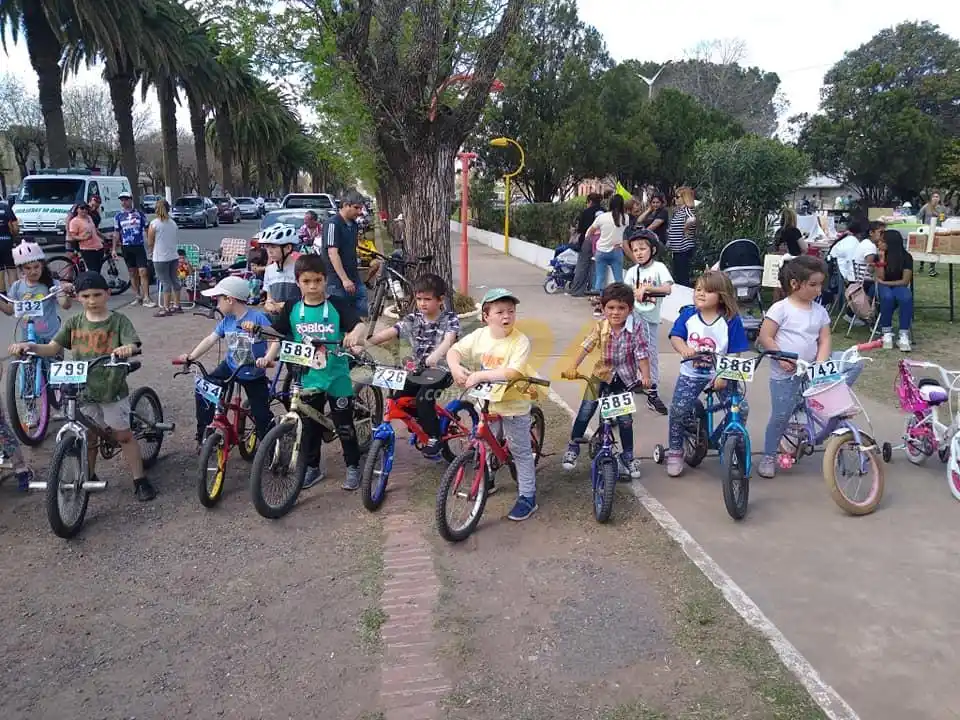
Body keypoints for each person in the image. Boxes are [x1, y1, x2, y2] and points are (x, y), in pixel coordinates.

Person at [9, 272, 155, 500]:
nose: (92, 300)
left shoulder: (118, 321)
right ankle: (88, 475)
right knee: (89, 437)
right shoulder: (74, 323)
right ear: (78, 297)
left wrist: (127, 349)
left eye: (97, 294)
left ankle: (139, 478)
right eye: (86, 296)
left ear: (107, 294)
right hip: (83, 390)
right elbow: (53, 347)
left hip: (111, 388)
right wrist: (30, 346)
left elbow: (133, 344)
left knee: (124, 435)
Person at [252, 254, 367, 490]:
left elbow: (359, 323)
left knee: (344, 425)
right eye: (306, 281)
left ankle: (353, 466)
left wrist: (355, 333)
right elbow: (278, 334)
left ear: (325, 280)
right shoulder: (293, 307)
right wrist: (265, 351)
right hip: (306, 376)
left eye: (317, 280)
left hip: (336, 376)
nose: (313, 286)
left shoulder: (336, 304)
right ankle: (313, 468)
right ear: (298, 282)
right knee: (308, 427)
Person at [756, 256, 863, 477]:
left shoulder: (820, 311)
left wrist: (822, 365)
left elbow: (824, 339)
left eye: (820, 284)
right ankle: (768, 455)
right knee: (780, 416)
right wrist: (781, 357)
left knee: (854, 361)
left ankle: (816, 405)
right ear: (795, 284)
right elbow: (765, 336)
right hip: (786, 372)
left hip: (812, 367)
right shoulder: (780, 309)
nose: (818, 290)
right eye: (813, 285)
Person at [447, 288, 538, 521]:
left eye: (511, 311)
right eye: (499, 312)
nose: (506, 316)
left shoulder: (520, 340)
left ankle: (528, 496)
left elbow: (513, 371)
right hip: (486, 403)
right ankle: (489, 479)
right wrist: (456, 368)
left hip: (513, 404)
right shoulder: (479, 336)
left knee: (520, 452)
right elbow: (454, 351)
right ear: (486, 316)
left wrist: (479, 376)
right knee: (485, 443)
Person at [561, 283, 651, 479]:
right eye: (610, 308)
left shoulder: (636, 328)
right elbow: (586, 346)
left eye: (621, 308)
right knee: (586, 410)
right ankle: (574, 445)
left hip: (624, 378)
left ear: (630, 309)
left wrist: (645, 377)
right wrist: (572, 367)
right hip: (600, 375)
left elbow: (642, 354)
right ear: (603, 309)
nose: (616, 312)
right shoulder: (600, 326)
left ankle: (628, 456)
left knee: (625, 420)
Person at [665, 271, 749, 478]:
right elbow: (676, 336)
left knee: (741, 408)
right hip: (691, 373)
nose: (701, 294)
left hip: (720, 372)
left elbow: (734, 351)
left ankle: (725, 439)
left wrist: (724, 374)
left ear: (722, 295)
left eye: (709, 291)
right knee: (678, 410)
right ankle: (675, 451)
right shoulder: (688, 314)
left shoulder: (730, 320)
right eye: (698, 289)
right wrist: (683, 348)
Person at [366, 274, 460, 458]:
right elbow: (393, 331)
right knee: (400, 398)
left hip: (441, 369)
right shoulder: (413, 318)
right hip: (417, 370)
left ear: (441, 300)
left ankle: (434, 437)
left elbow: (449, 340)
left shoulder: (450, 319)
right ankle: (424, 420)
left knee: (424, 398)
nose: (422, 303)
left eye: (427, 299)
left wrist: (436, 355)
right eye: (418, 299)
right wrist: (367, 342)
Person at [176, 276, 274, 449]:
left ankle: (272, 447)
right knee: (205, 389)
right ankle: (205, 432)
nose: (217, 304)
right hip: (231, 366)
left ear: (230, 299)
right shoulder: (226, 321)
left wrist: (267, 358)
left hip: (253, 371)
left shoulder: (258, 318)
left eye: (218, 299)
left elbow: (275, 340)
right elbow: (210, 339)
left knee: (262, 415)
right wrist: (191, 357)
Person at [623, 228, 672, 414]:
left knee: (649, 356)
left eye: (642, 248)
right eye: (635, 250)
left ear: (652, 249)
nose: (639, 253)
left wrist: (648, 289)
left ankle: (652, 392)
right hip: (633, 319)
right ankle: (633, 384)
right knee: (629, 354)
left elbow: (667, 289)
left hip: (649, 320)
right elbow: (624, 291)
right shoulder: (632, 271)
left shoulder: (659, 268)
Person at [0, 242, 74, 342]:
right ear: (21, 269)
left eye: (36, 267)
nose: (33, 271)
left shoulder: (52, 283)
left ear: (42, 266)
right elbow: (10, 310)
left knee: (55, 356)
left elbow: (65, 305)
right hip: (28, 337)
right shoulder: (17, 286)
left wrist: (67, 293)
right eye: (28, 268)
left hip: (51, 337)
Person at [322, 191, 368, 317]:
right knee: (339, 316)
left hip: (354, 277)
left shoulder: (354, 225)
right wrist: (344, 279)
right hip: (336, 281)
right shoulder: (332, 224)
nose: (359, 212)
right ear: (346, 205)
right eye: (356, 208)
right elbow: (332, 253)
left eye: (361, 208)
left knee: (361, 311)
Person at [875, 230, 914, 352]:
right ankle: (886, 332)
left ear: (890, 243)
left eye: (882, 241)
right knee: (887, 297)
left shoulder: (906, 257)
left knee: (906, 297)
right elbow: (880, 278)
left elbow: (905, 281)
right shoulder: (880, 255)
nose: (878, 243)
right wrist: (881, 260)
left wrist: (886, 283)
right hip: (883, 287)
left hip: (898, 285)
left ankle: (903, 334)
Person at [113, 191, 154, 307]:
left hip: (138, 245)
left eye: (126, 199)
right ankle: (137, 296)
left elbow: (147, 229)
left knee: (143, 272)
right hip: (126, 246)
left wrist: (151, 245)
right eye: (122, 200)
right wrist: (114, 249)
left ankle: (146, 297)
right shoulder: (118, 216)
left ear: (131, 200)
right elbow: (116, 232)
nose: (124, 202)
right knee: (132, 272)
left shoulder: (139, 214)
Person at [584, 194, 628, 291]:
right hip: (617, 250)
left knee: (600, 278)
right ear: (622, 205)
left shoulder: (602, 217)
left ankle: (598, 300)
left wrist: (591, 239)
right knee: (619, 279)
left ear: (610, 204)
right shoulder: (626, 218)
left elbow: (589, 232)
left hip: (601, 251)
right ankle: (620, 299)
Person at [147, 198, 181, 316]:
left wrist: (151, 252)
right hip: (173, 255)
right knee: (174, 280)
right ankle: (177, 304)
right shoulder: (173, 223)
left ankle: (165, 308)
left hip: (160, 257)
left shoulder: (154, 224)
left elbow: (150, 242)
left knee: (165, 282)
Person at [569, 193, 605, 297]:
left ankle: (577, 291)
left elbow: (581, 229)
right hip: (601, 241)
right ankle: (593, 291)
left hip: (587, 240)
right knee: (595, 267)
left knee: (582, 265)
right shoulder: (605, 212)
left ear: (589, 201)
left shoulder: (586, 212)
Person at [259, 224, 301, 313]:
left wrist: (285, 306)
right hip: (277, 321)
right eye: (267, 247)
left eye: (273, 247)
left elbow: (309, 298)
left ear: (288, 248)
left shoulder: (300, 269)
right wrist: (268, 305)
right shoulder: (269, 270)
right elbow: (268, 299)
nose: (269, 251)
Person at [666, 187, 697, 287]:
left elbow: (692, 219)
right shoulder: (679, 211)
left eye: (677, 197)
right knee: (679, 276)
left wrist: (686, 228)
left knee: (682, 278)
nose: (675, 199)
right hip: (677, 249)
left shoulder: (687, 210)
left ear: (685, 197)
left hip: (683, 249)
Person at [68, 203, 105, 275]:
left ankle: (96, 285)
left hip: (98, 247)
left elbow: (95, 230)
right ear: (77, 209)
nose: (84, 210)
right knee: (93, 272)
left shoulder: (89, 217)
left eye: (86, 208)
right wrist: (83, 238)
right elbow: (72, 236)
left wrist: (104, 237)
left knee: (97, 271)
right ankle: (94, 285)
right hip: (87, 249)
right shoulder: (74, 221)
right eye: (82, 208)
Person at [917, 191, 947, 277]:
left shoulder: (942, 208)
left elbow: (944, 218)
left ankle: (932, 269)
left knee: (934, 249)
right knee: (924, 248)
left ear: (939, 198)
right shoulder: (926, 206)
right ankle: (921, 266)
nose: (935, 198)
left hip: (937, 230)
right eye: (934, 196)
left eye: (937, 196)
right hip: (927, 230)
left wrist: (942, 217)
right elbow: (919, 215)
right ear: (931, 198)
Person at [0, 199, 19, 292]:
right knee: (11, 270)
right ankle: (14, 297)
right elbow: (15, 227)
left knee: (0, 273)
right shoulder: (6, 207)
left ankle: (3, 298)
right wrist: (13, 235)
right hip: (7, 243)